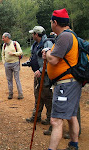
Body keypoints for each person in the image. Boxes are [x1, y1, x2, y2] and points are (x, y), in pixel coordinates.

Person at [42, 8, 81, 150]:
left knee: (56, 120)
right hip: (70, 83)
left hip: (65, 85)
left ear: (55, 22)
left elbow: (53, 60)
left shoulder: (64, 36)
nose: (51, 24)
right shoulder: (69, 35)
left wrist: (47, 53)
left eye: (51, 22)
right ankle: (73, 144)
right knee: (71, 116)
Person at [23, 26, 53, 125]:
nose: (32, 35)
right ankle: (36, 116)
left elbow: (50, 60)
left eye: (33, 34)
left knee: (47, 97)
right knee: (38, 96)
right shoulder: (35, 44)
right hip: (38, 75)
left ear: (36, 34)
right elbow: (34, 57)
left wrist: (40, 70)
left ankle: (49, 118)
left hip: (46, 76)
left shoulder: (47, 43)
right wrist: (30, 63)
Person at [2, 32, 23, 100]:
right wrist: (4, 62)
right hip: (7, 64)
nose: (2, 39)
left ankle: (20, 94)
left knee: (17, 79)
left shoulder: (15, 43)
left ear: (7, 37)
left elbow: (20, 52)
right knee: (9, 79)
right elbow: (2, 54)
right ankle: (10, 94)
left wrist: (13, 53)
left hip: (15, 63)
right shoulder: (4, 45)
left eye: (3, 38)